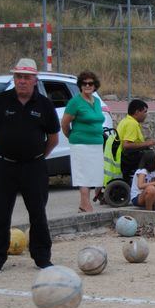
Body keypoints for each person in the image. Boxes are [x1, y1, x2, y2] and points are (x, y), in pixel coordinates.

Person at [0, 58, 60, 274]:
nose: (22, 81)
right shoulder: (0, 101)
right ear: (14, 78)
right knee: (0, 214)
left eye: (26, 77)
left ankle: (42, 258)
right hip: (4, 167)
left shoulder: (44, 105)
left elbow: (53, 138)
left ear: (35, 79)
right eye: (18, 76)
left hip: (33, 167)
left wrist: (38, 156)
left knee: (37, 213)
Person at [61, 71, 105, 213]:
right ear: (80, 85)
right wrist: (71, 136)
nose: (87, 86)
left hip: (96, 143)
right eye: (84, 83)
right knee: (83, 174)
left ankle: (83, 204)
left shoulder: (97, 101)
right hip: (80, 143)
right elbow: (65, 123)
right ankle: (86, 204)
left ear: (94, 85)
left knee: (94, 174)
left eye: (90, 83)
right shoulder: (75, 102)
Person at [116, 99, 155, 182]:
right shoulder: (132, 124)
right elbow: (126, 145)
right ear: (137, 112)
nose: (146, 114)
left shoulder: (125, 121)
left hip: (124, 157)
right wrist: (147, 144)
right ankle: (152, 182)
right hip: (127, 159)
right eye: (145, 112)